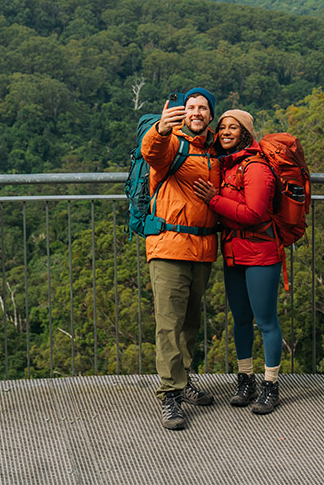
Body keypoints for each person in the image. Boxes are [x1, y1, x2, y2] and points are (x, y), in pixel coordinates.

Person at [193, 109, 283, 415]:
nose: (226, 132)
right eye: (223, 127)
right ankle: (245, 380)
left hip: (260, 254)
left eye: (234, 127)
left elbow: (254, 215)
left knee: (265, 322)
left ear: (246, 132)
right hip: (234, 255)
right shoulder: (228, 166)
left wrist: (213, 200)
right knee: (241, 320)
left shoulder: (256, 168)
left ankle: (270, 385)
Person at [141, 87, 220, 430]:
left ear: (210, 115)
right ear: (183, 112)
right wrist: (160, 128)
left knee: (189, 321)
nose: (197, 112)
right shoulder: (171, 143)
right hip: (169, 247)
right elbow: (152, 153)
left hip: (202, 249)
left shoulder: (215, 152)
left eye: (203, 108)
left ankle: (184, 381)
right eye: (191, 107)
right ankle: (169, 394)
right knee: (169, 324)